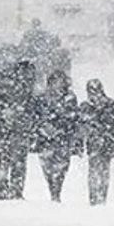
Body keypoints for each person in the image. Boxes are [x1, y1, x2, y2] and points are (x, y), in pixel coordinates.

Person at [0, 60, 37, 200]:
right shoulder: (10, 88)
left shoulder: (26, 91)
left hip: (17, 131)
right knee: (8, 162)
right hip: (9, 131)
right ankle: (7, 190)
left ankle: (12, 190)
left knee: (15, 162)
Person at [34, 69, 80, 203]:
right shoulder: (42, 97)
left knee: (61, 166)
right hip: (45, 138)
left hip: (63, 138)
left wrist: (61, 127)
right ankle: (52, 189)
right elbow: (36, 116)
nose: (57, 84)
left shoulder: (70, 97)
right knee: (47, 166)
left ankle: (57, 191)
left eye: (60, 81)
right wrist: (43, 127)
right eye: (55, 81)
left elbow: (73, 117)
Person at [80, 79, 114, 206]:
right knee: (96, 171)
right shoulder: (86, 107)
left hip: (104, 144)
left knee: (101, 172)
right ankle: (94, 197)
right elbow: (80, 127)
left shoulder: (109, 107)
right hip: (95, 144)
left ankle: (100, 197)